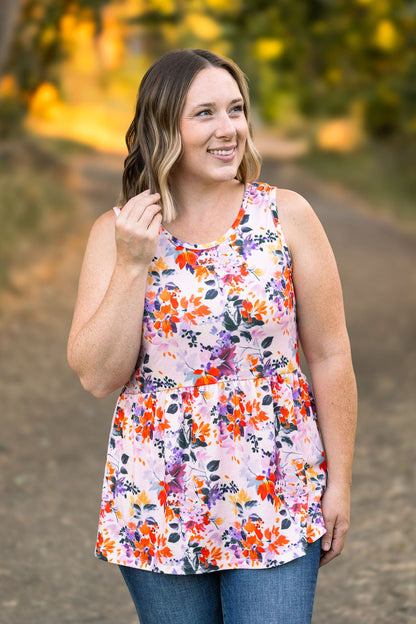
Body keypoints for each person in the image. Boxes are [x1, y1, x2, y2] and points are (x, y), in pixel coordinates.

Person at [67, 48, 357, 624]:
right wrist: (131, 264)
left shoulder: (286, 215)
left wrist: (339, 483)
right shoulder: (118, 232)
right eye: (205, 113)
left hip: (277, 483)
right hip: (158, 493)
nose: (228, 129)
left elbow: (330, 354)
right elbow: (99, 376)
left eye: (236, 109)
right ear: (162, 127)